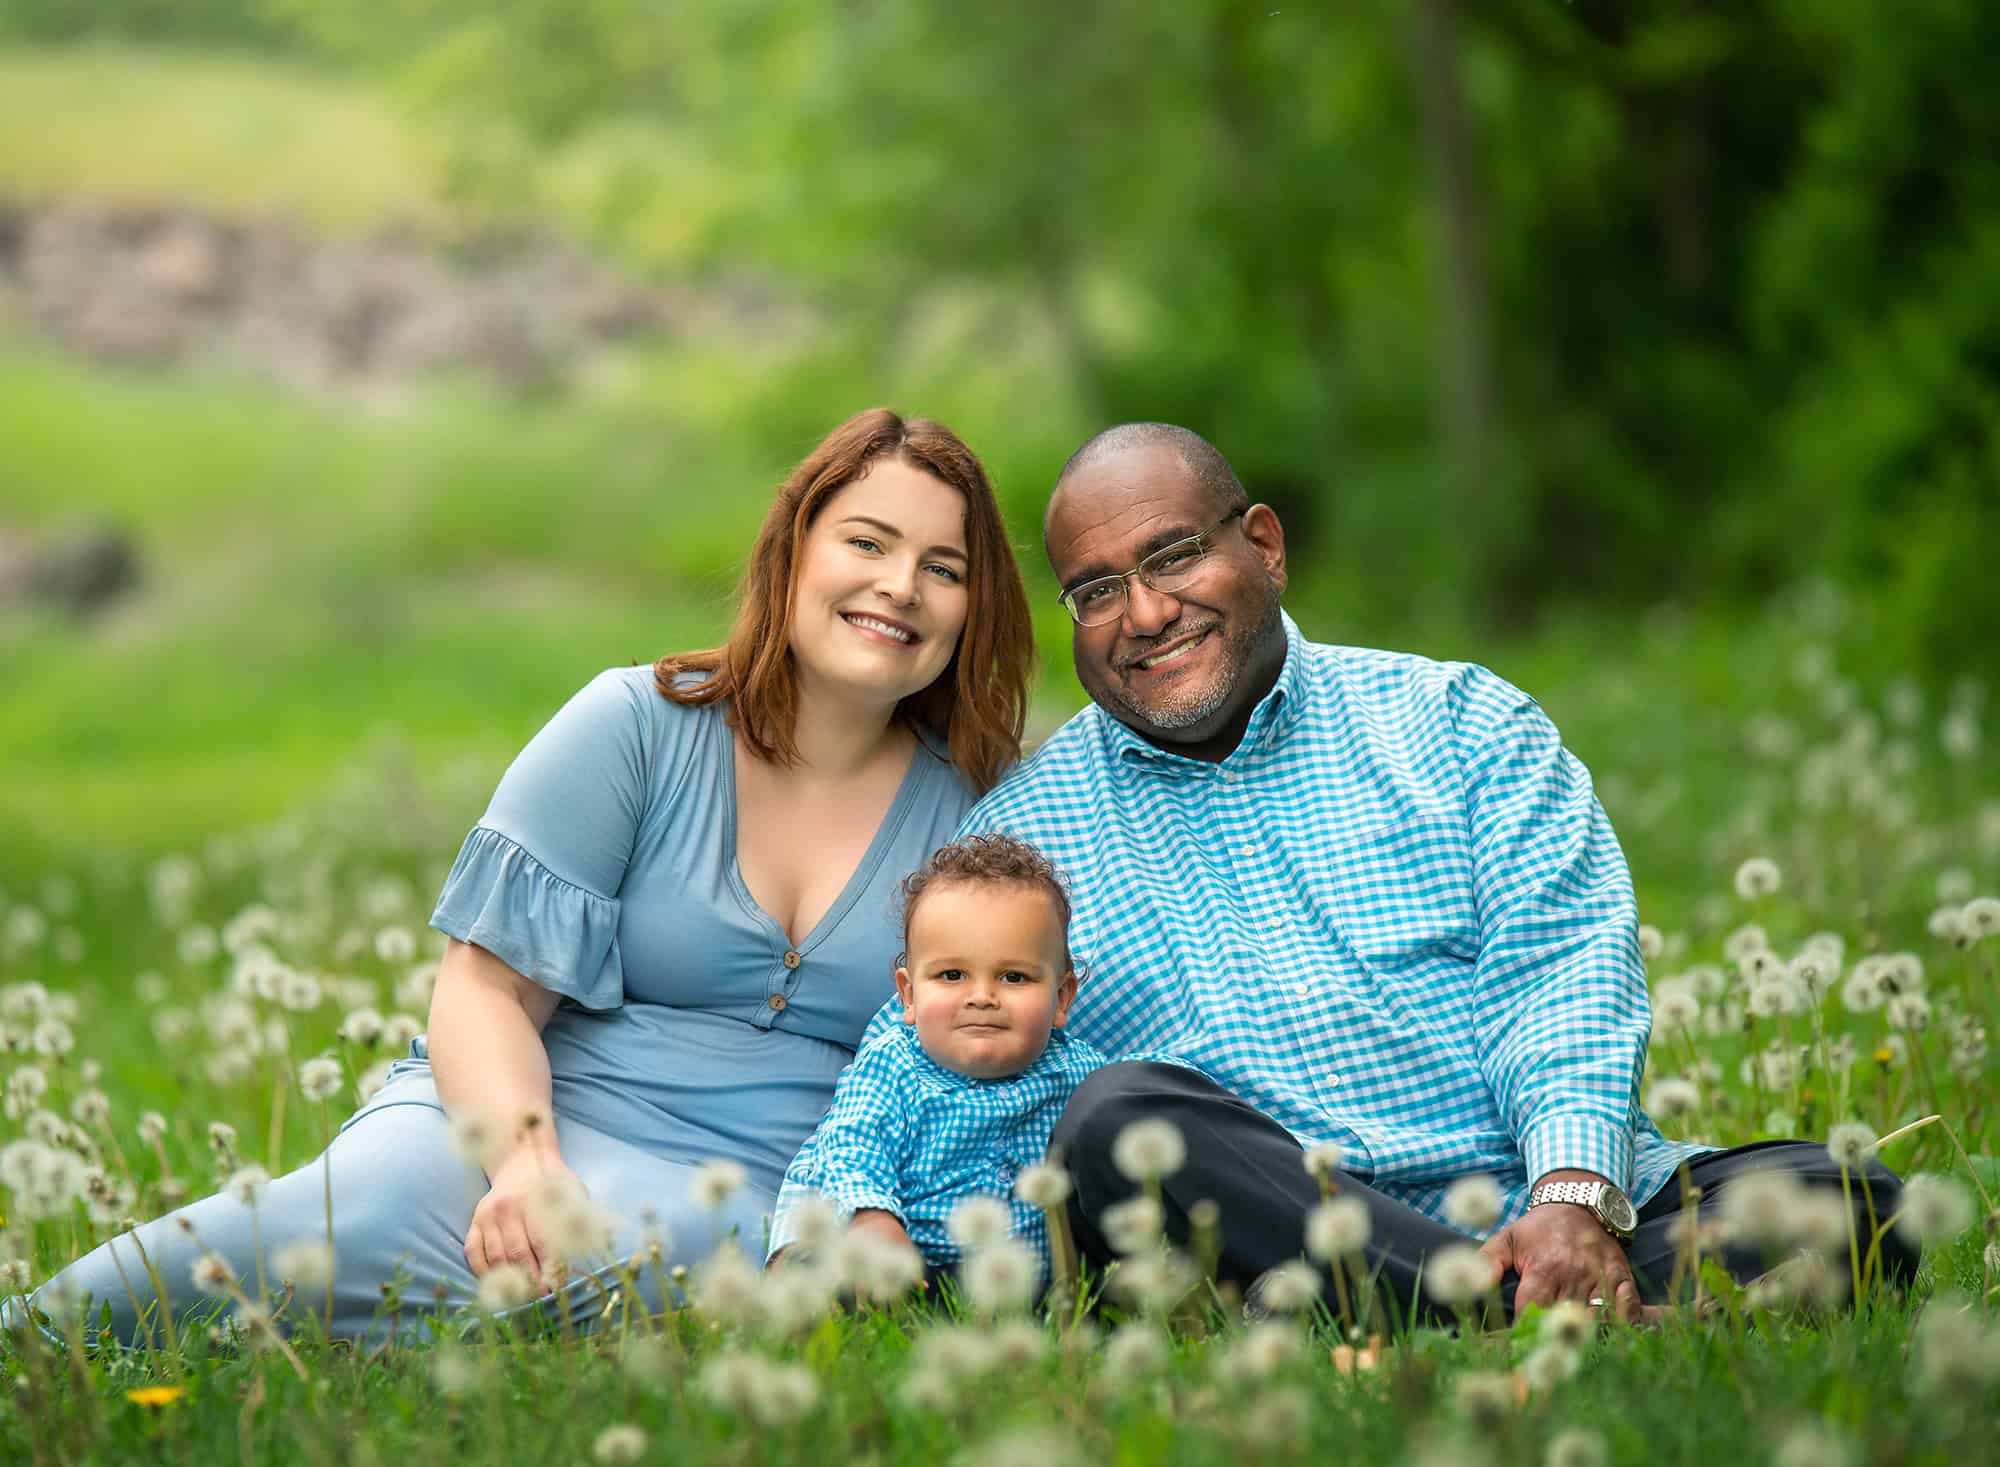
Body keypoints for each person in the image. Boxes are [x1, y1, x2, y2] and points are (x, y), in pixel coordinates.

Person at [773, 421, 1917, 1325]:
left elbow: (1560, 973)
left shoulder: (1458, 723)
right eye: (1095, 589)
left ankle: (1518, 1296)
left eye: (1172, 556)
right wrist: (855, 1213)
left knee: (1860, 1203)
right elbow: (920, 1059)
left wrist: (1569, 1201)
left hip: (1535, 1199)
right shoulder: (1031, 834)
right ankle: (1546, 1316)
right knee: (1115, 1120)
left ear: (1260, 546)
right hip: (1280, 1233)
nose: (1146, 612)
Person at [6, 408, 1034, 1346]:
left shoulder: (981, 815)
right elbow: (482, 989)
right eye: (866, 543)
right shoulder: (636, 726)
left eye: (942, 568)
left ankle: (402, 1364)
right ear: (795, 551)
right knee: (270, 1243)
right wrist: (525, 1162)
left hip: (746, 1187)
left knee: (642, 1269)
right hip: (514, 1117)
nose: (899, 587)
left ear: (969, 608)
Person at [782, 834, 1156, 1281]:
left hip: (1034, 1283)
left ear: (1061, 998)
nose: (982, 996)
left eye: (1013, 976)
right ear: (909, 994)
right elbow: (852, 1146)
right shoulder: (893, 1068)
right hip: (914, 1269)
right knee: (823, 1276)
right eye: (952, 975)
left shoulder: (1077, 1073)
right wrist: (871, 1217)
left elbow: (1144, 1099)